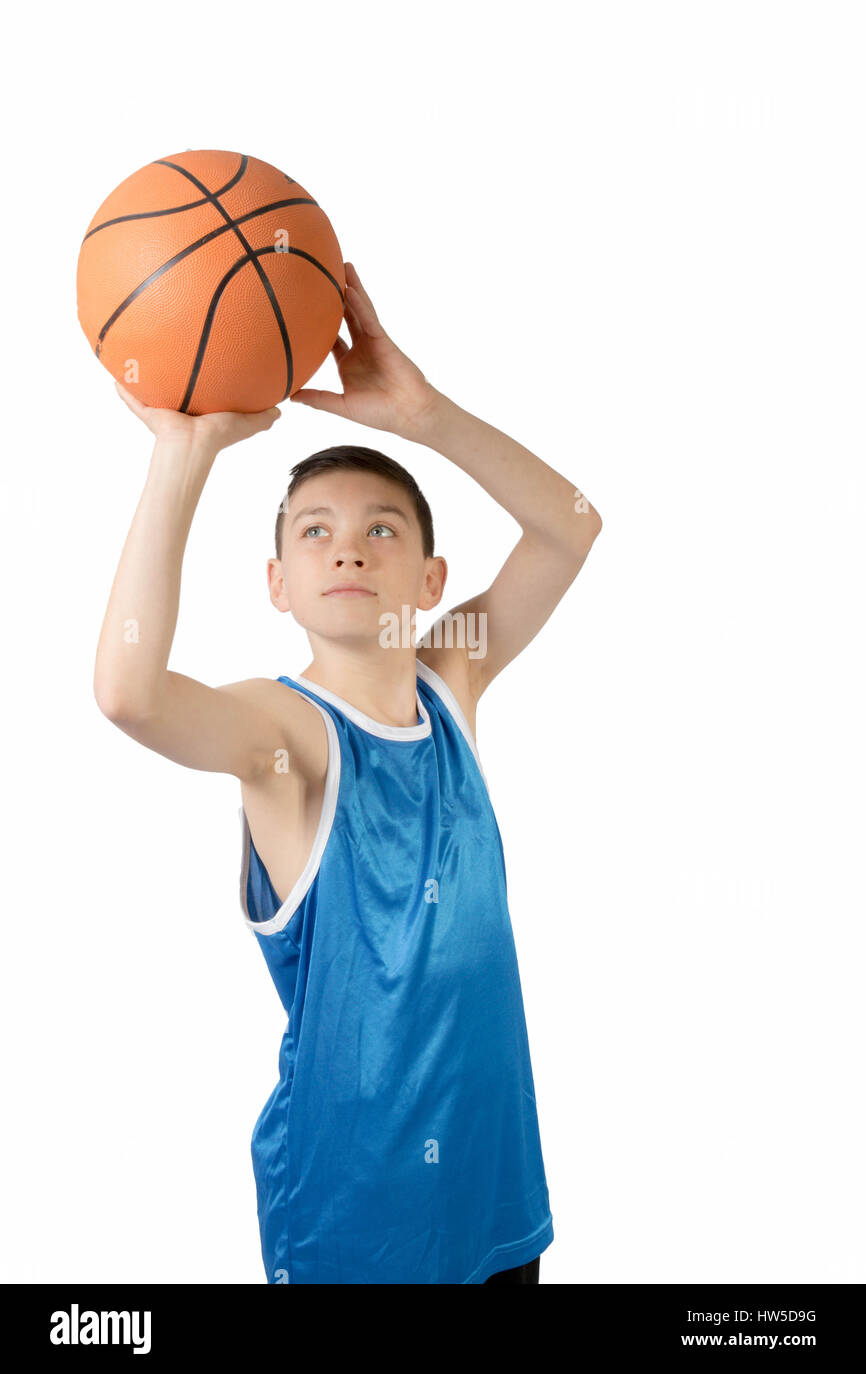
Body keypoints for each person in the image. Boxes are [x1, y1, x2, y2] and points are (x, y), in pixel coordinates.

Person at [96, 261, 602, 1284]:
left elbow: (573, 524)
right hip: (354, 1219)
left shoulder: (451, 675)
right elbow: (128, 693)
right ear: (278, 583)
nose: (348, 548)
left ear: (428, 580)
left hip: (494, 1192)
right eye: (313, 531)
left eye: (381, 530)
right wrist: (184, 451)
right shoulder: (286, 735)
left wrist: (423, 414)